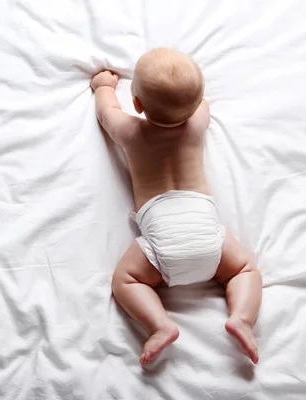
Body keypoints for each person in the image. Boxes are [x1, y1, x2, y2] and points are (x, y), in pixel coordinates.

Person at [91, 48, 262, 365]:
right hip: (208, 234)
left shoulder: (130, 132)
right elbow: (201, 107)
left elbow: (106, 113)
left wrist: (103, 87)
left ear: (138, 104)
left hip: (161, 243)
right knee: (244, 270)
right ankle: (242, 317)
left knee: (126, 281)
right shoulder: (197, 124)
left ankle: (159, 325)